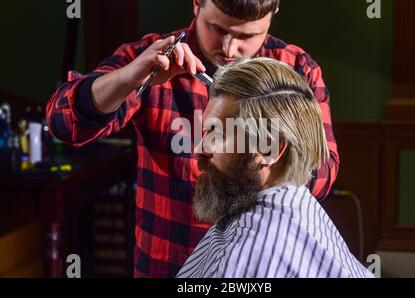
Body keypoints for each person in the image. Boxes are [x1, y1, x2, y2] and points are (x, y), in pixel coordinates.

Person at [46, 0, 340, 277]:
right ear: (197, 3)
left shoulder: (295, 71)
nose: (229, 49)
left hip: (260, 261)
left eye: (247, 36)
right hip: (167, 260)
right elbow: (65, 123)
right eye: (218, 29)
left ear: (273, 12)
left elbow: (323, 169)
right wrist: (128, 78)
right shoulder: (153, 58)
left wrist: (248, 165)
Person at [177, 57, 371, 278]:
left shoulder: (256, 249)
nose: (199, 149)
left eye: (217, 133)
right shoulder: (291, 206)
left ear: (269, 148)